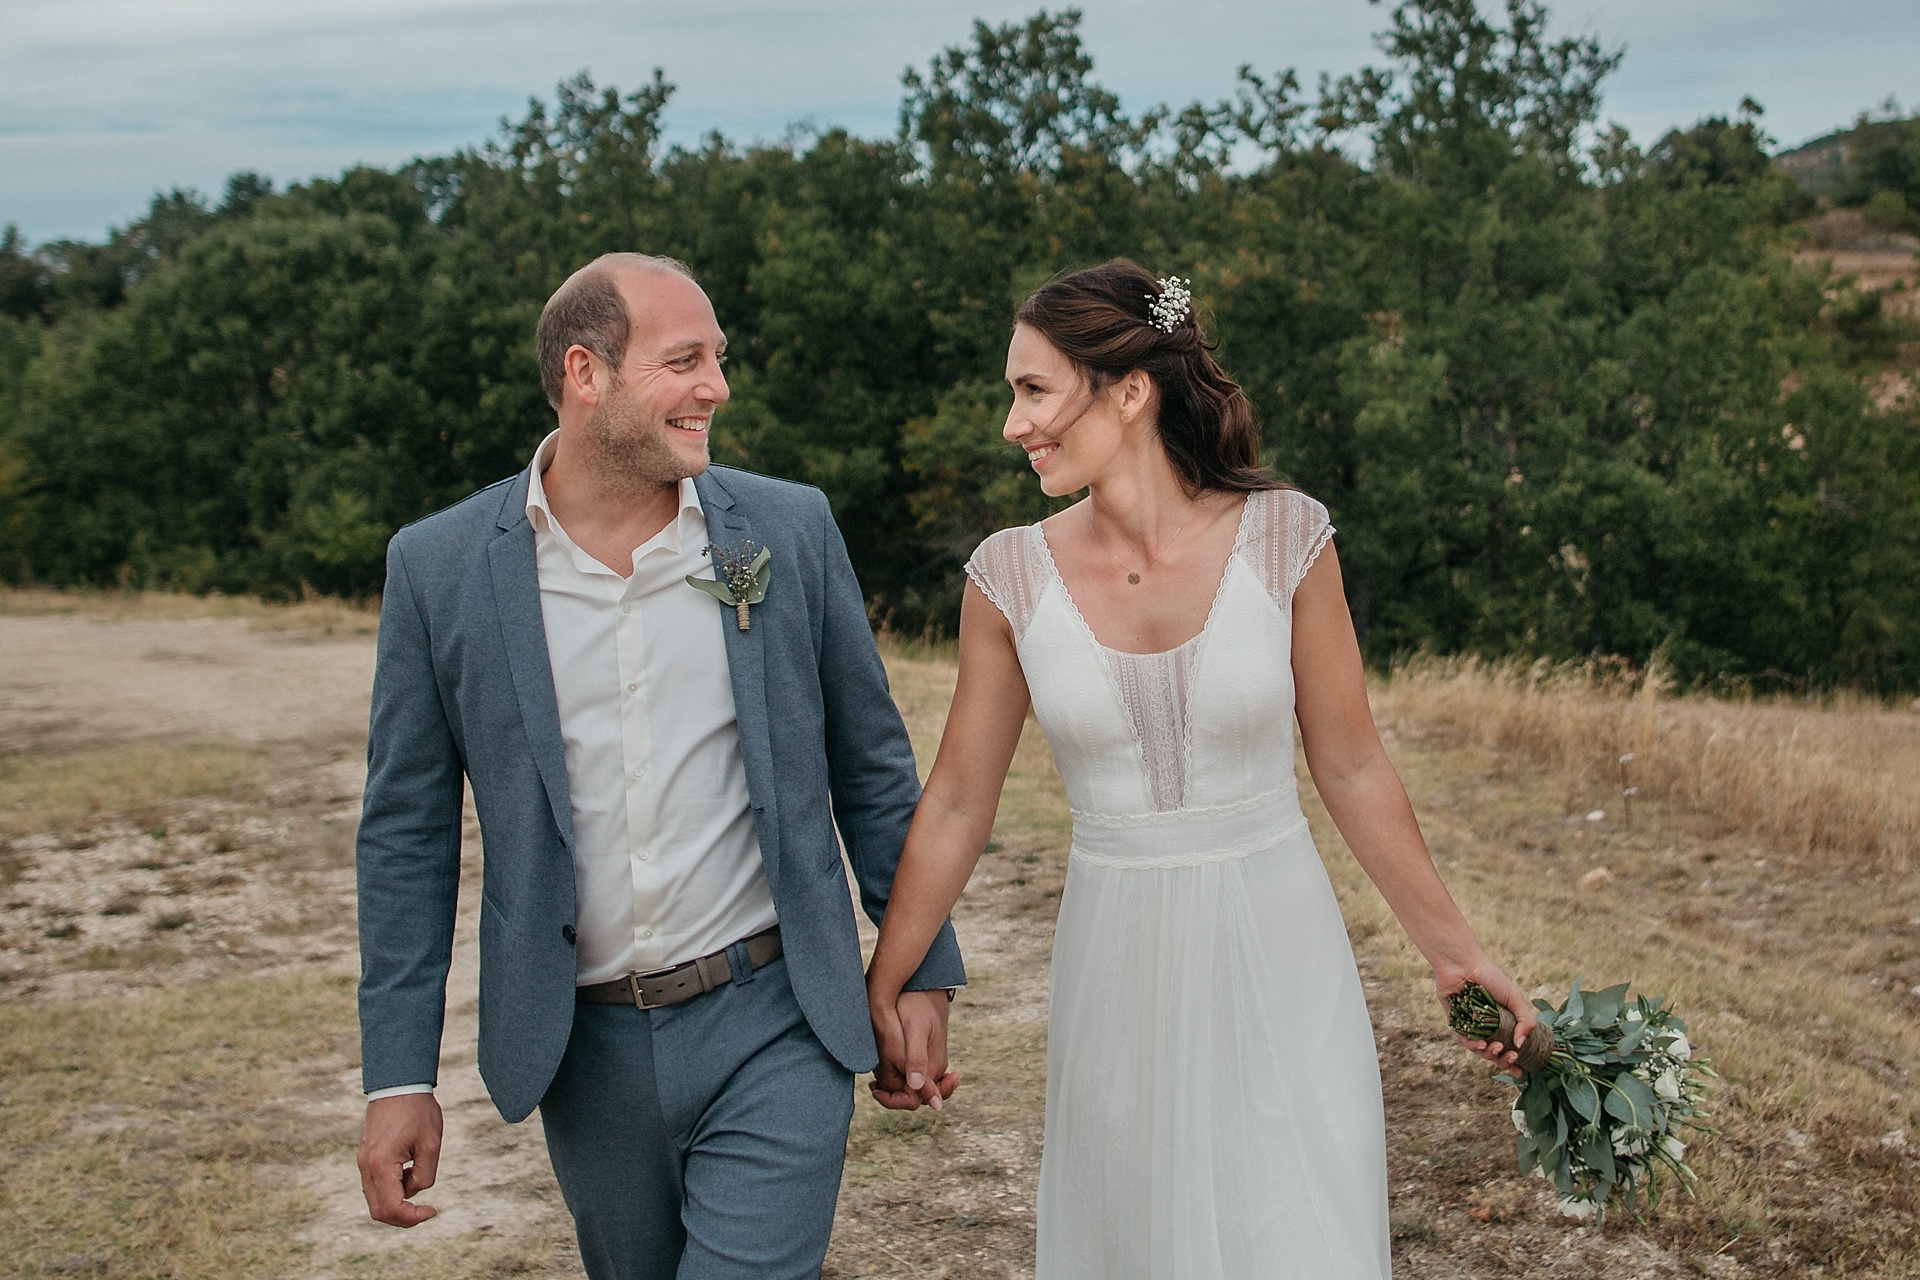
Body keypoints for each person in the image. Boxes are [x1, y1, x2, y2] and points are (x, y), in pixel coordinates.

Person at [863, 260, 1536, 1278]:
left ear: (1129, 390)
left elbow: (1351, 765)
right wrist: (892, 971)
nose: (1013, 422)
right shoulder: (1007, 578)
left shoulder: (1287, 536)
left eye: (1033, 390)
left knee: (1297, 1230)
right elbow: (958, 798)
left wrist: (1456, 953)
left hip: (1281, 948)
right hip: (1115, 967)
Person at [353, 251, 964, 1280]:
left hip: (777, 1018)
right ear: (585, 374)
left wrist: (922, 970)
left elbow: (872, 766)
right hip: (581, 1050)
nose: (717, 388)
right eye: (685, 361)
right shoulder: (438, 567)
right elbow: (404, 836)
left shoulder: (787, 528)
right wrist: (398, 1073)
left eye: (717, 358)